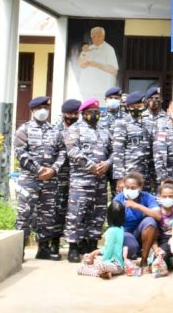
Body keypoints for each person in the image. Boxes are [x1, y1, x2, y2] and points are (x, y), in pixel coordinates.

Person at [14, 96, 65, 260]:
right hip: (29, 180)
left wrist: (54, 169)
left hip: (50, 180)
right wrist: (38, 169)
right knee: (24, 215)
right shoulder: (24, 130)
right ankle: (17, 251)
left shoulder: (55, 131)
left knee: (47, 215)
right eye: (40, 108)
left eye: (46, 108)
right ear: (33, 110)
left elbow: (62, 152)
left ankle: (43, 249)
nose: (44, 111)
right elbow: (20, 153)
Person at [64, 98, 113, 263]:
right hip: (81, 181)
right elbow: (72, 151)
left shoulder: (105, 131)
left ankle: (91, 245)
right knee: (76, 214)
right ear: (83, 113)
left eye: (97, 113)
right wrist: (91, 166)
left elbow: (114, 151)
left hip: (100, 181)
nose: (94, 115)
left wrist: (107, 163)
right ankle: (73, 247)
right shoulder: (74, 130)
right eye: (91, 113)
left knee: (97, 214)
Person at [112, 171, 161, 269]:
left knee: (150, 222)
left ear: (140, 187)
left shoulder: (147, 197)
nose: (129, 190)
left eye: (133, 188)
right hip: (125, 232)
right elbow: (114, 226)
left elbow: (158, 216)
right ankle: (127, 256)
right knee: (132, 247)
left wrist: (138, 206)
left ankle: (144, 259)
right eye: (126, 187)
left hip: (141, 232)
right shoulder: (118, 199)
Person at [52, 98, 81, 258]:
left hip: (79, 176)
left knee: (76, 211)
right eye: (69, 113)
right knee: (58, 209)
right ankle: (54, 244)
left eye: (76, 113)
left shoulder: (83, 129)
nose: (72, 116)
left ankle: (76, 246)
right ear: (63, 113)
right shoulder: (55, 130)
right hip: (60, 176)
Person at [112, 91, 153, 191]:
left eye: (139, 106)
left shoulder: (149, 123)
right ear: (128, 107)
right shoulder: (122, 123)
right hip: (129, 175)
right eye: (133, 107)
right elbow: (118, 152)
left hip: (145, 174)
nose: (136, 109)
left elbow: (152, 151)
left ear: (144, 105)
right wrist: (120, 178)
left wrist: (152, 175)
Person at [77, 201, 126, 279]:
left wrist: (100, 261)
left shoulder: (111, 231)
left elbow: (108, 251)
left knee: (86, 267)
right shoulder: (121, 229)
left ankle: (100, 272)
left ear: (109, 216)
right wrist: (95, 253)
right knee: (89, 256)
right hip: (118, 264)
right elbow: (109, 248)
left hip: (115, 264)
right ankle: (105, 273)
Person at [77, 26, 118, 102]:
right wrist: (84, 53)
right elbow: (81, 65)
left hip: (103, 92)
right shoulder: (88, 49)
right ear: (91, 37)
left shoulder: (109, 49)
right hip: (88, 91)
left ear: (103, 36)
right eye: (94, 36)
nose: (96, 38)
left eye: (99, 36)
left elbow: (114, 70)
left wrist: (96, 64)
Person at [153, 178, 173, 269]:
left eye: (170, 196)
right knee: (156, 262)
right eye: (164, 196)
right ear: (159, 196)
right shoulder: (156, 212)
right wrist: (155, 248)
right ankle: (168, 260)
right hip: (163, 241)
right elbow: (153, 233)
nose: (167, 199)